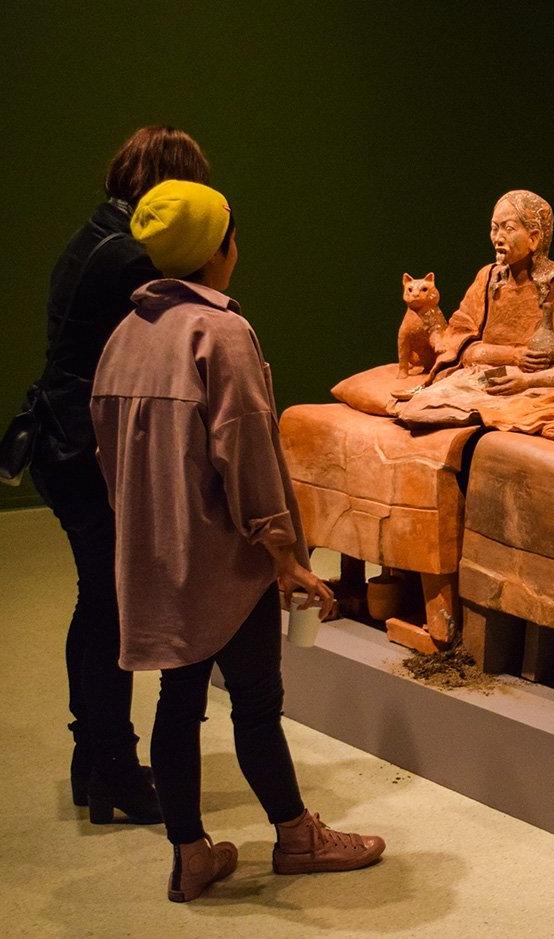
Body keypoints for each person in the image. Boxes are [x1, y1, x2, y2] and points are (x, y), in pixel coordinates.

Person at [90, 180, 386, 902]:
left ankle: (190, 852)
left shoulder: (124, 336)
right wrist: (281, 553)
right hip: (226, 558)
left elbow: (106, 450)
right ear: (217, 250)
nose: (237, 249)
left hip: (154, 556)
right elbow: (247, 448)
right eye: (232, 236)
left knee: (176, 698)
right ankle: (296, 835)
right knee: (255, 700)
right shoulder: (221, 334)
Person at [30, 126, 210, 822]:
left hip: (60, 443)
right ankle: (113, 764)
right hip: (82, 453)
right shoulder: (131, 261)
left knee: (98, 602)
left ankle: (94, 756)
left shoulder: (96, 235)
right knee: (110, 609)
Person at [424, 189, 554, 396]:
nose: (498, 238)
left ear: (533, 238)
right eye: (494, 228)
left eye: (508, 229)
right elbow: (459, 346)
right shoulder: (487, 278)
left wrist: (528, 381)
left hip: (542, 386)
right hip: (486, 378)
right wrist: (514, 356)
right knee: (427, 406)